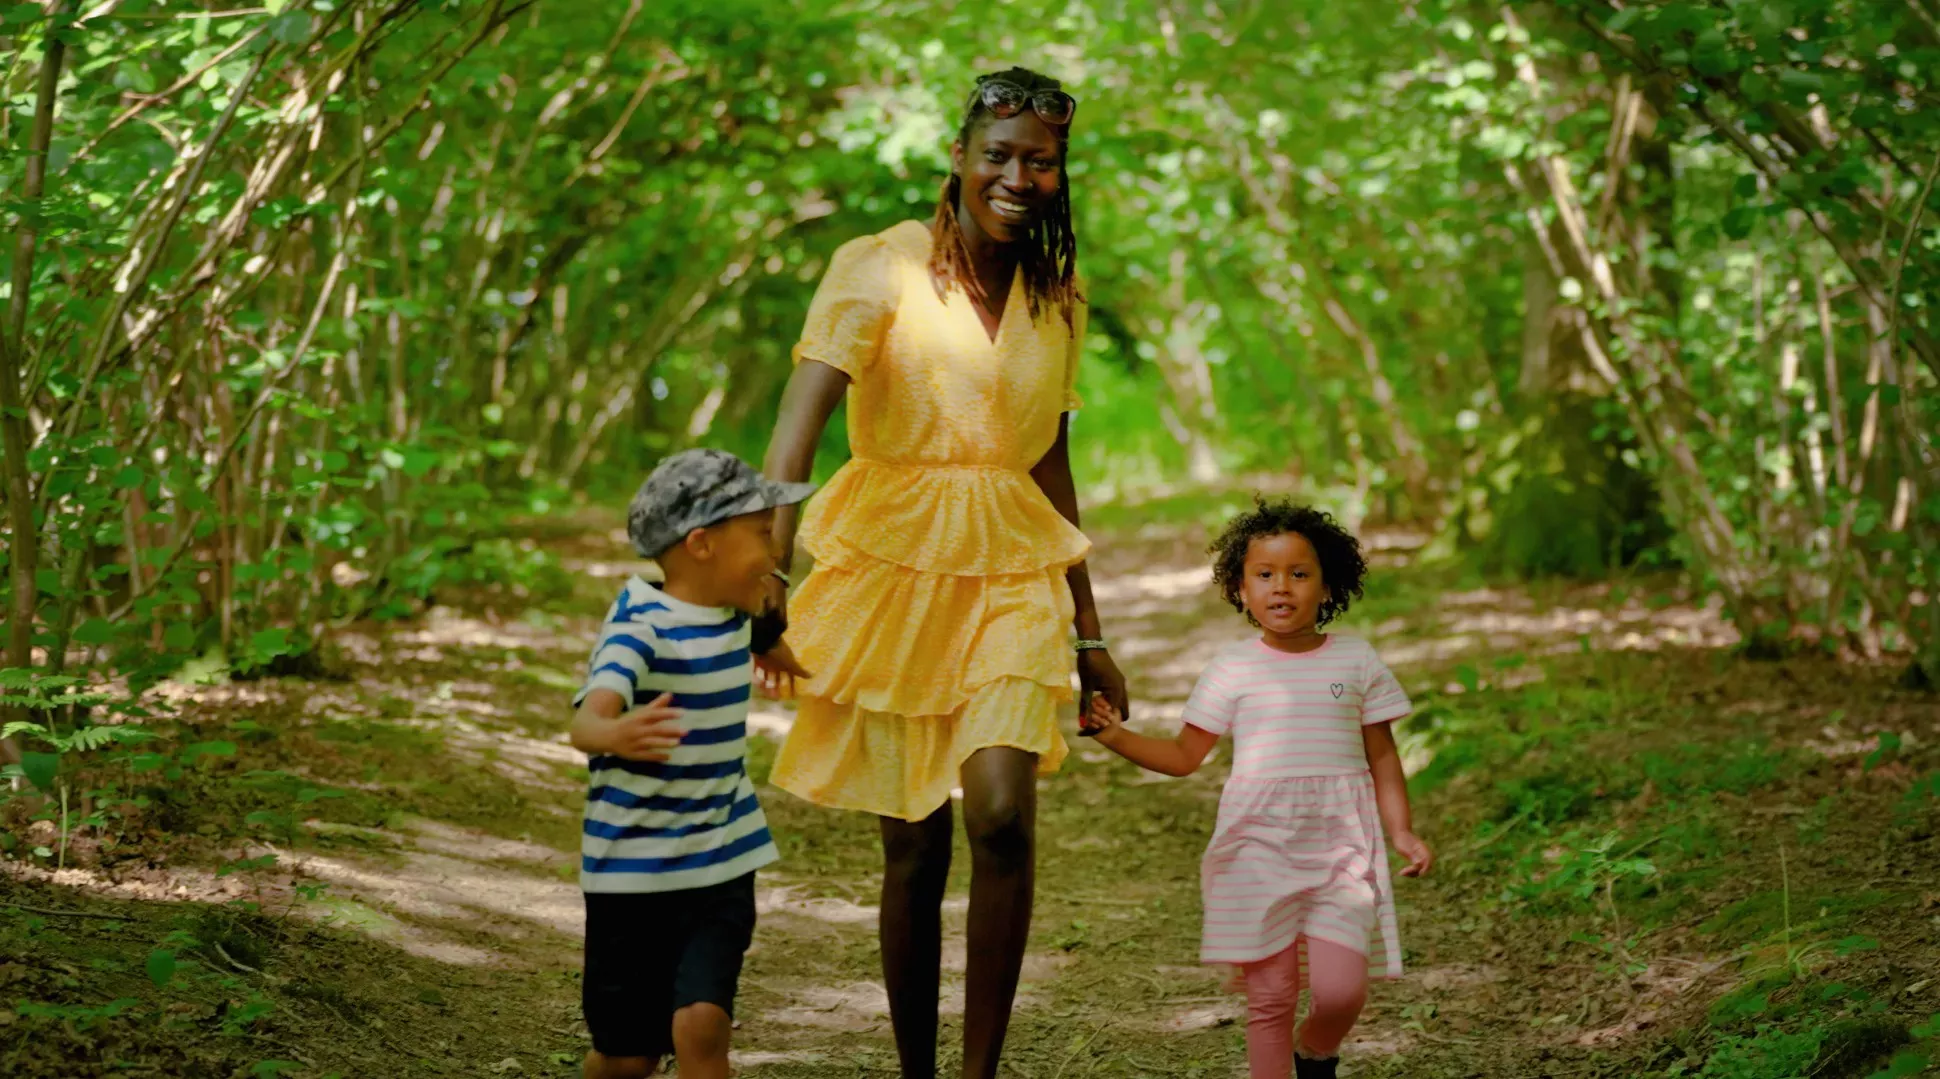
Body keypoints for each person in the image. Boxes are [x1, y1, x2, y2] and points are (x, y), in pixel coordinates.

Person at [757, 67, 1130, 1079]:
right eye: (998, 154)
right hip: (894, 560)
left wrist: (1089, 628)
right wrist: (768, 564)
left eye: (1039, 160)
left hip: (1011, 564)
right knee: (915, 846)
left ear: (1058, 172)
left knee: (1001, 813)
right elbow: (800, 421)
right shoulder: (874, 266)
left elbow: (1045, 454)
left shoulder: (1058, 295)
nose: (1017, 175)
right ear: (959, 159)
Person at [1081, 499, 1433, 1079]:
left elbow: (1383, 754)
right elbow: (1184, 755)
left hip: (1341, 847)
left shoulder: (1357, 659)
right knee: (1269, 999)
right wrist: (1116, 737)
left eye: (1299, 574)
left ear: (1327, 585)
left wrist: (1401, 830)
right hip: (1256, 848)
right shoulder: (1231, 669)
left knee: (1342, 992)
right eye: (1264, 575)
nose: (1282, 588)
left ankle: (1315, 1051)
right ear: (1241, 590)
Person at [567, 448, 815, 1079]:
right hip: (630, 876)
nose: (772, 553)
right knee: (628, 1057)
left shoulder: (735, 606)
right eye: (761, 535)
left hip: (720, 862)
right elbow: (586, 720)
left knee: (702, 1027)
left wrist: (777, 652)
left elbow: (754, 629)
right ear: (702, 544)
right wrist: (612, 732)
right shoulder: (638, 630)